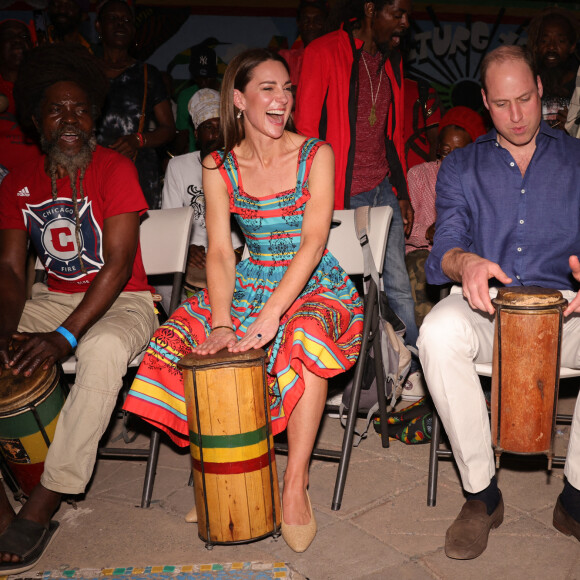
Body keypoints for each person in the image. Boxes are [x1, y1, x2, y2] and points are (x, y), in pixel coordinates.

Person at [123, 48, 363, 553]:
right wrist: (221, 321)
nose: (282, 99)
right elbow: (219, 253)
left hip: (314, 281)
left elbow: (314, 242)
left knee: (305, 337)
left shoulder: (316, 153)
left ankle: (293, 486)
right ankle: (225, 474)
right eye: (268, 89)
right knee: (179, 339)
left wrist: (272, 314)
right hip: (250, 273)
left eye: (287, 88)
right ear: (239, 98)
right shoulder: (219, 165)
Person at [417, 45, 580, 560]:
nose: (516, 116)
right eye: (503, 103)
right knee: (436, 333)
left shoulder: (578, 158)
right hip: (490, 306)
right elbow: (443, 247)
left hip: (568, 308)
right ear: (485, 101)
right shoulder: (462, 165)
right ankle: (482, 496)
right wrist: (465, 263)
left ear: (540, 90)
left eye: (527, 99)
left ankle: (575, 499)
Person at [0, 43, 157, 573]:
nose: (69, 120)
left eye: (80, 109)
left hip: (125, 299)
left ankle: (46, 499)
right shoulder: (18, 180)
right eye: (55, 110)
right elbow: (11, 271)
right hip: (51, 296)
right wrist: (5, 329)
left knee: (104, 349)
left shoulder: (114, 169)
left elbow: (116, 267)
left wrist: (63, 337)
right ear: (35, 121)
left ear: (93, 116)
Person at [294, 0, 424, 401]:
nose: (405, 23)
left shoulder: (391, 61)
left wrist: (401, 192)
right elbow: (306, 129)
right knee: (336, 284)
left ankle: (416, 370)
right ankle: (337, 376)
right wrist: (312, 198)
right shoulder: (323, 52)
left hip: (381, 186)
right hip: (336, 189)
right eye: (397, 13)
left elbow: (393, 133)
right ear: (370, 9)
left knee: (398, 284)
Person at [405, 106, 485, 329]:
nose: (451, 157)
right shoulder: (419, 174)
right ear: (439, 147)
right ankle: (423, 341)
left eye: (459, 151)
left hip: (463, 253)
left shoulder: (480, 181)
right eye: (447, 149)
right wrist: (427, 232)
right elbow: (406, 228)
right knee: (420, 268)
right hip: (423, 251)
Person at [161, 87, 243, 295]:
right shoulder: (178, 167)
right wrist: (185, 249)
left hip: (237, 250)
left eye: (221, 127)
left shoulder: (244, 163)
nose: (216, 134)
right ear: (197, 134)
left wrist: (242, 251)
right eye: (209, 127)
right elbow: (169, 220)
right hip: (196, 253)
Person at [95, 0, 176, 209]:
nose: (121, 24)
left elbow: (168, 129)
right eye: (113, 19)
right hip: (91, 167)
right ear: (98, 27)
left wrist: (138, 140)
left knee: (139, 237)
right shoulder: (83, 70)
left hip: (137, 168)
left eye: (127, 20)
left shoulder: (148, 74)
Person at [527, 7, 580, 130]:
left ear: (572, 46)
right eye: (544, 40)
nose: (551, 47)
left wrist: (574, 128)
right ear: (536, 46)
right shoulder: (525, 83)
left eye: (560, 41)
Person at [0, 19, 39, 173]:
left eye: (24, 37)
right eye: (8, 36)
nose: (17, 40)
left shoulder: (47, 86)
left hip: (38, 177)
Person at [174, 41, 221, 155]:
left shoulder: (230, 93)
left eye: (207, 77)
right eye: (198, 77)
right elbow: (183, 133)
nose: (203, 82)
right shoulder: (186, 96)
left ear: (215, 74)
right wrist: (174, 157)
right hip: (196, 158)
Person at [279, 0, 328, 91]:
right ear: (298, 23)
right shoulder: (285, 57)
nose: (311, 26)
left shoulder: (335, 58)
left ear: (326, 23)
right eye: (306, 20)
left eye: (317, 21)